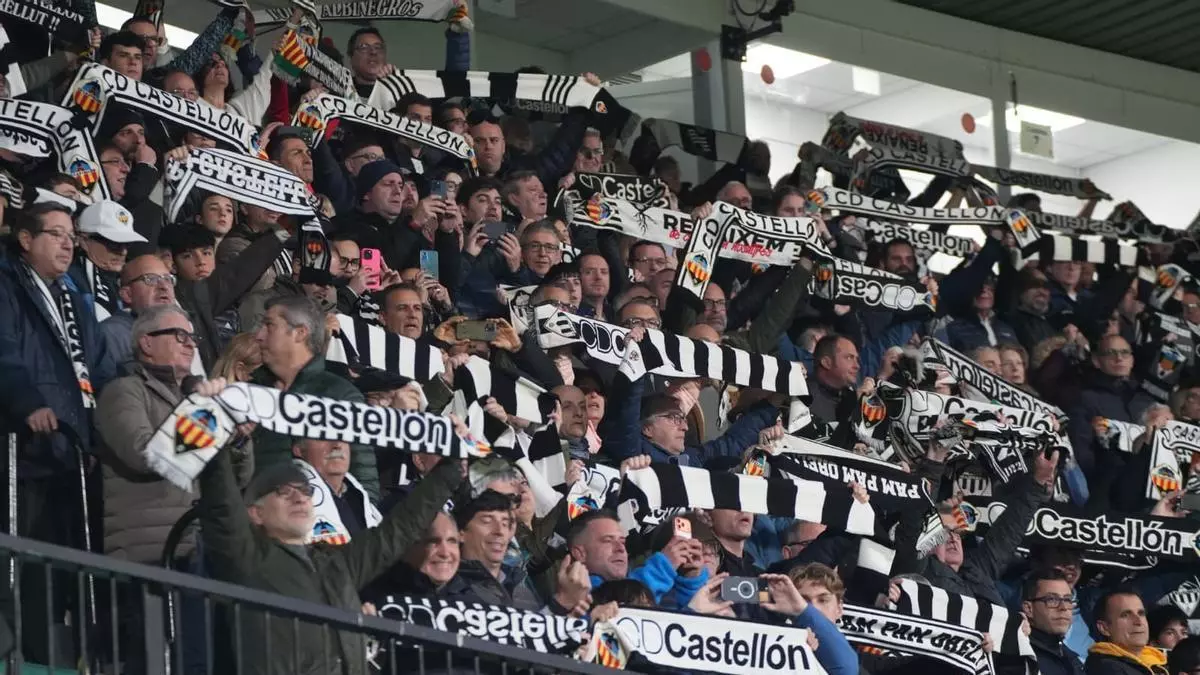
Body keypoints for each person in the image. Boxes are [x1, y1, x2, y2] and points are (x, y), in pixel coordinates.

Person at [196, 372, 464, 675]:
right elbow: (221, 503)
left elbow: (400, 529)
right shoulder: (247, 557)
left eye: (305, 491)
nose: (299, 497)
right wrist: (211, 418)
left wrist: (452, 465)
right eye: (284, 492)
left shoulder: (338, 564)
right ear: (255, 513)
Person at [249, 296, 380, 499]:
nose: (259, 336)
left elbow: (364, 482)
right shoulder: (250, 391)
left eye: (269, 326)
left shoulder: (340, 395)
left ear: (300, 333)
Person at [292, 438, 381, 544]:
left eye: (342, 437)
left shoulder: (359, 496)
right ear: (299, 450)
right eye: (323, 437)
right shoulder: (291, 502)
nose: (337, 445)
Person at [100, 254, 177, 366]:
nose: (164, 286)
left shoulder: (182, 331)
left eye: (168, 279)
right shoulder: (112, 334)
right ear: (127, 294)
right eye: (151, 279)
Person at [1085, 589, 1167, 675]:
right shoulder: (1105, 669)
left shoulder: (1157, 663)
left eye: (1141, 613)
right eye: (1125, 615)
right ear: (1104, 628)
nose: (1138, 621)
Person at [1022, 570, 1086, 675]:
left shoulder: (1072, 659)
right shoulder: (1019, 655)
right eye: (1051, 599)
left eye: (1067, 600)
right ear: (1029, 608)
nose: (1063, 607)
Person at [807, 334, 859, 424]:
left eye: (856, 359)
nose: (857, 366)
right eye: (849, 358)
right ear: (827, 363)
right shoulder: (803, 397)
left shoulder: (854, 397)